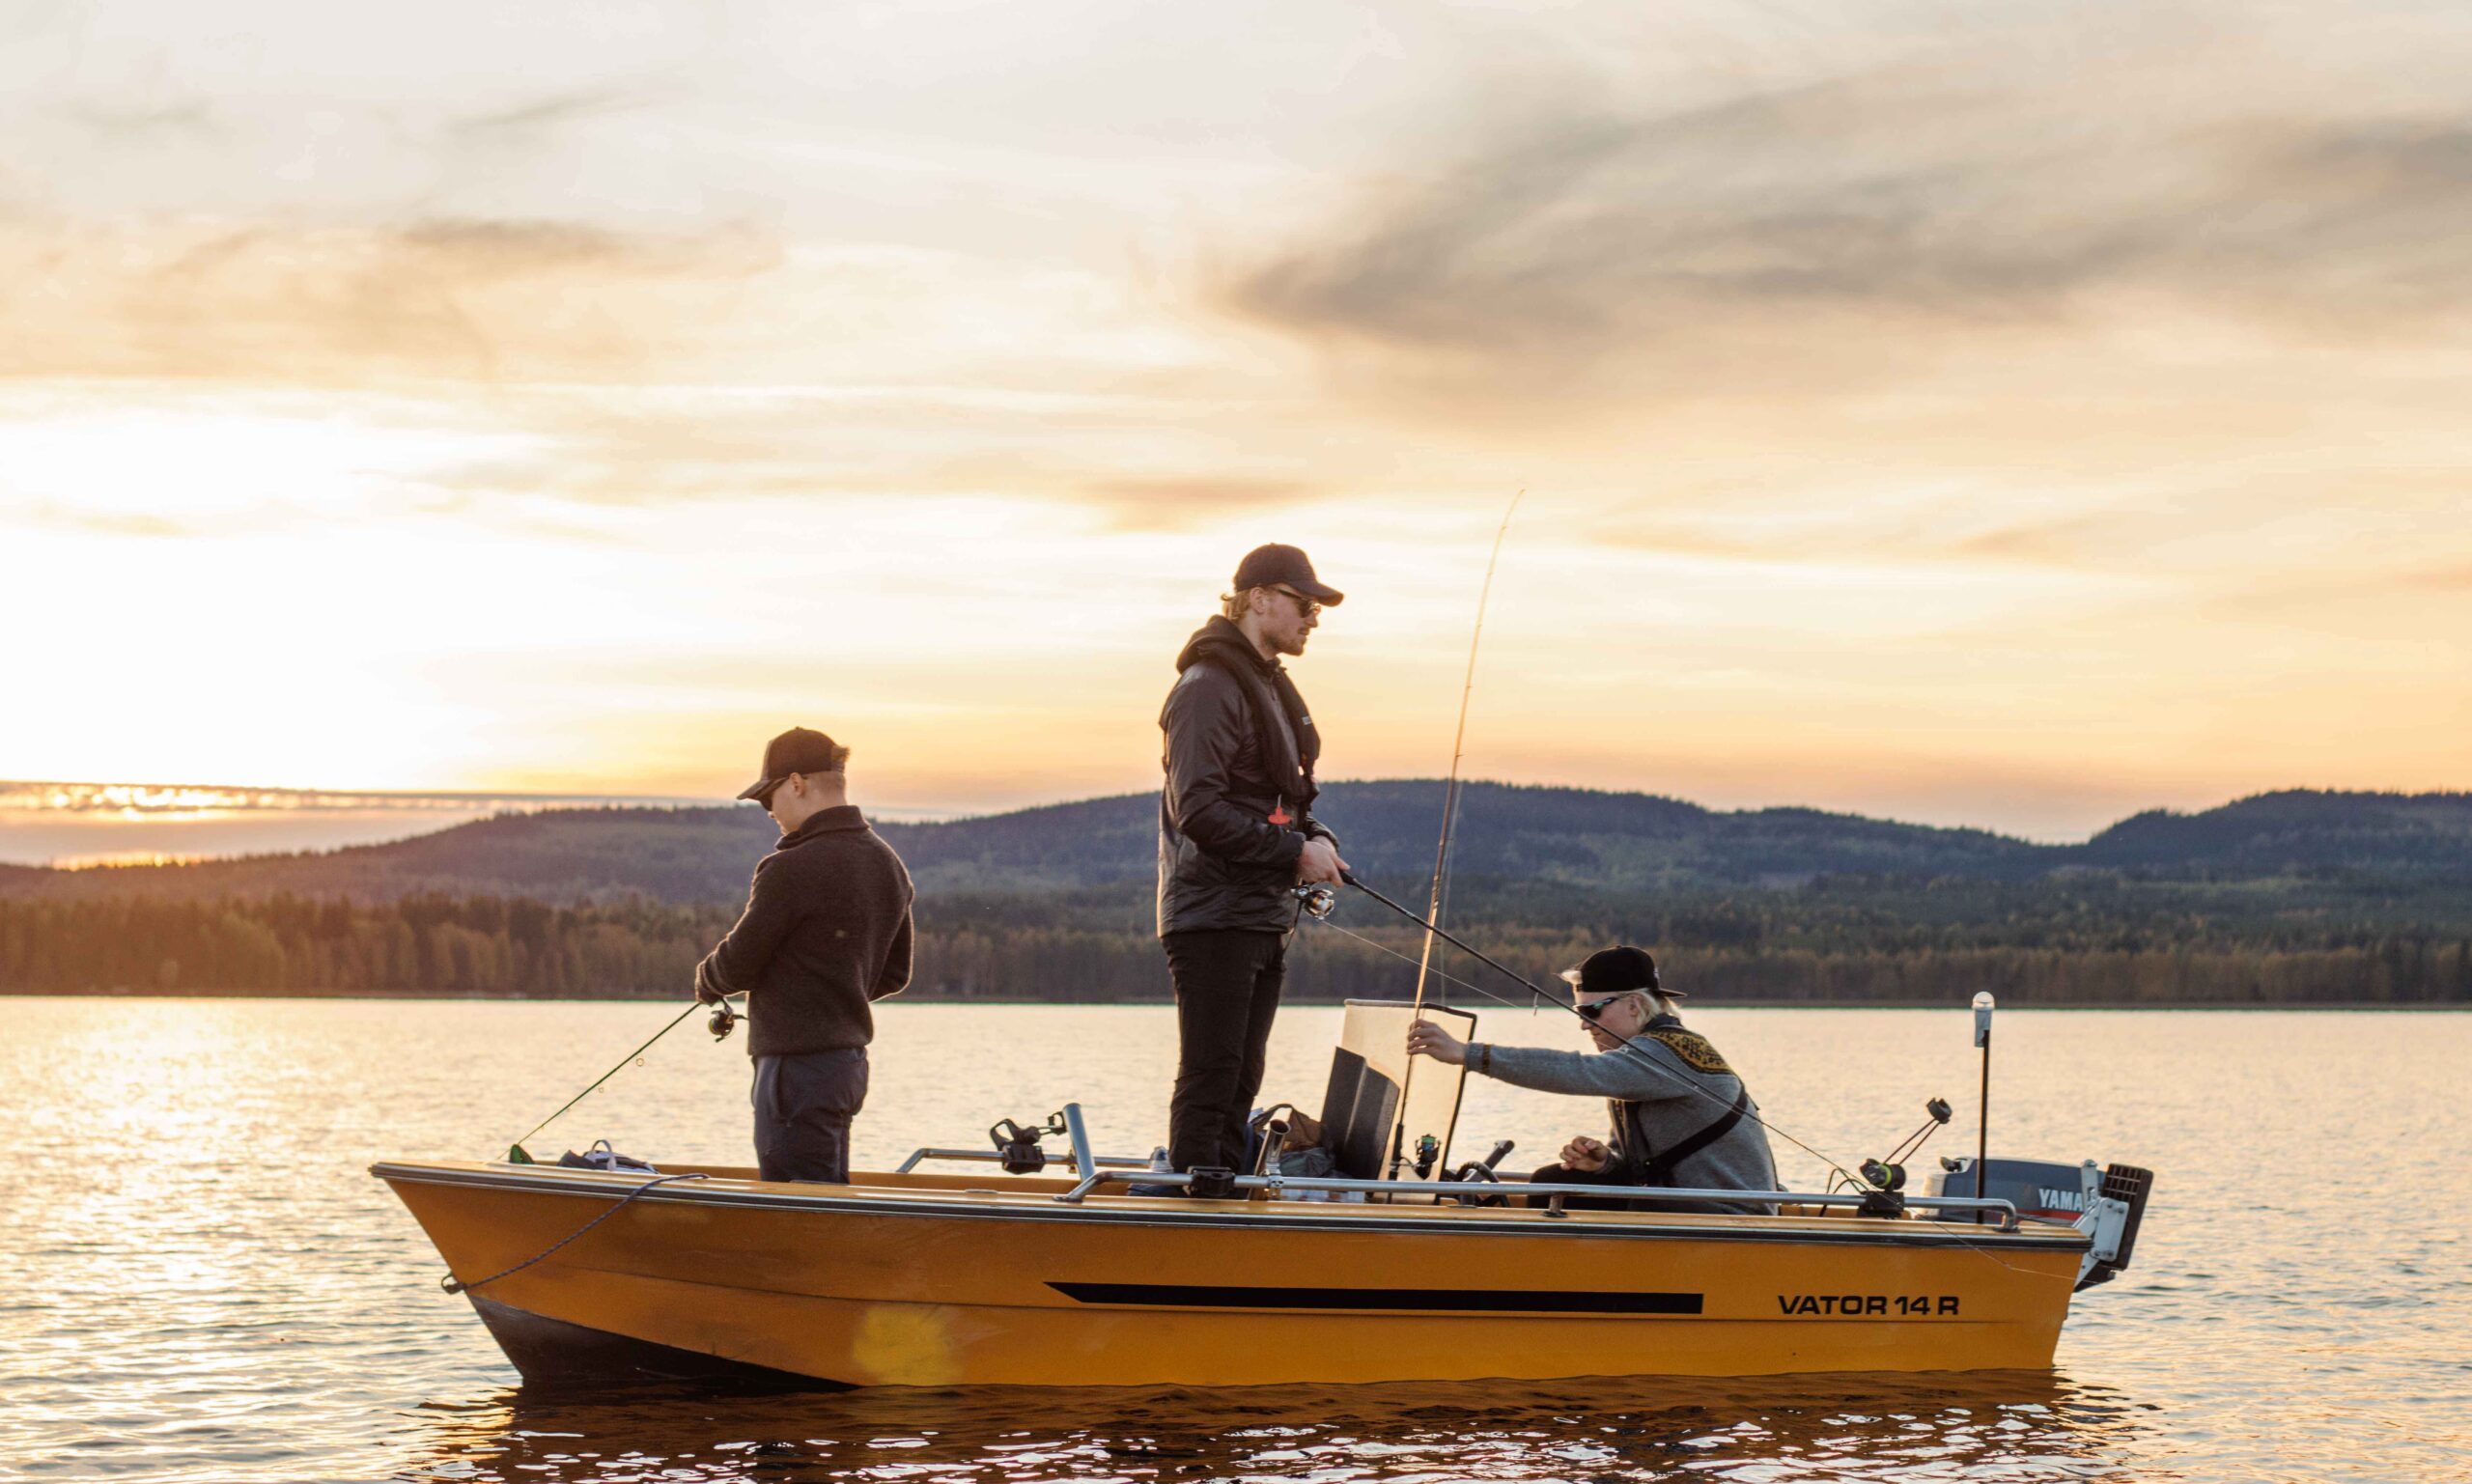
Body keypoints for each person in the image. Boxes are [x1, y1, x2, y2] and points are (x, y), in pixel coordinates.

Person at [1155, 544, 1349, 1179]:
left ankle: (1228, 1197)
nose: (1312, 617)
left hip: (1261, 914)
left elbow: (1280, 800)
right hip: (1213, 913)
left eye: (1317, 607)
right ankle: (1195, 1212)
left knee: (1242, 1075)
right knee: (1213, 1075)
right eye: (1303, 603)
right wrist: (1296, 850)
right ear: (1258, 597)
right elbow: (1200, 811)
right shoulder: (1207, 687)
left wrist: (1318, 838)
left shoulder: (1263, 683)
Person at [693, 725, 914, 1184]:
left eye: (768, 796)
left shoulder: (788, 867)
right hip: (844, 1068)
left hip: (794, 1072)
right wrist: (833, 997)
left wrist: (706, 979)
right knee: (826, 1194)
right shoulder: (886, 861)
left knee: (797, 1206)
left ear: (797, 783)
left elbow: (737, 964)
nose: (768, 810)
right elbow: (894, 974)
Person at [1405, 945, 1779, 1214]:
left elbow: (1580, 1071)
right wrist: (1603, 1164)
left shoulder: (1669, 1051)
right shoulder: (1640, 1059)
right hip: (1682, 1205)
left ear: (1634, 1006)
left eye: (1591, 1011)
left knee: (1557, 1192)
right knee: (1552, 1180)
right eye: (1578, 1011)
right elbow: (1634, 1166)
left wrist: (1468, 1054)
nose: (1583, 1023)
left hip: (1729, 1218)